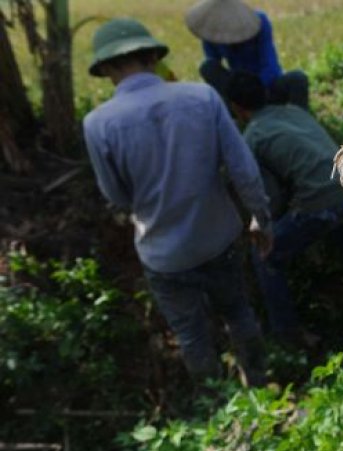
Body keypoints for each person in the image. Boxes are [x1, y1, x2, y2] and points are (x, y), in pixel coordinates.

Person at [82, 18, 274, 387]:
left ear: (105, 69)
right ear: (153, 57)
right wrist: (261, 220)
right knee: (238, 312)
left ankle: (214, 406)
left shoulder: (98, 124)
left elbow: (117, 196)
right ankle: (261, 385)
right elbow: (243, 171)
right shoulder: (201, 97)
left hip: (163, 255)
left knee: (192, 334)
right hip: (218, 239)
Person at [224, 71, 343, 347]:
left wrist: (268, 224)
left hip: (319, 205)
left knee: (266, 257)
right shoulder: (293, 111)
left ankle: (289, 336)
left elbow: (270, 198)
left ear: (236, 108)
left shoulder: (253, 136)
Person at [185, 0, 310, 109]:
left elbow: (270, 66)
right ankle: (234, 109)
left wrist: (255, 90)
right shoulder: (211, 33)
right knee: (207, 66)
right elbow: (213, 66)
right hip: (239, 90)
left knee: (298, 79)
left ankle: (300, 118)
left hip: (267, 87)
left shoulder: (260, 22)